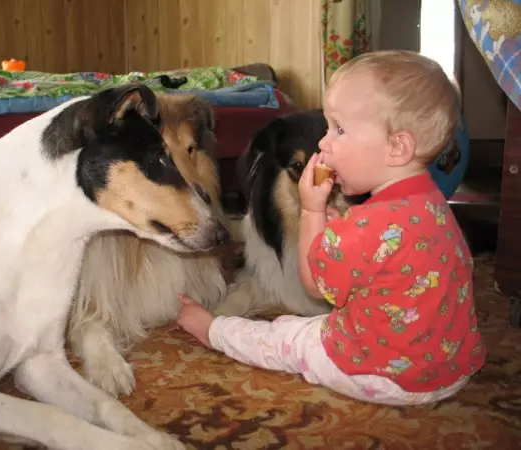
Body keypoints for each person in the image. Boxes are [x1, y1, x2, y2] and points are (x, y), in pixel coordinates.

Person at [175, 50, 486, 406]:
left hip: (386, 376)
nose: (323, 144)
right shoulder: (432, 204)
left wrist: (312, 210)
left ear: (397, 146)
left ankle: (212, 329)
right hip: (452, 369)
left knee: (288, 336)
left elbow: (315, 285)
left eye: (338, 129)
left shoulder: (362, 228)